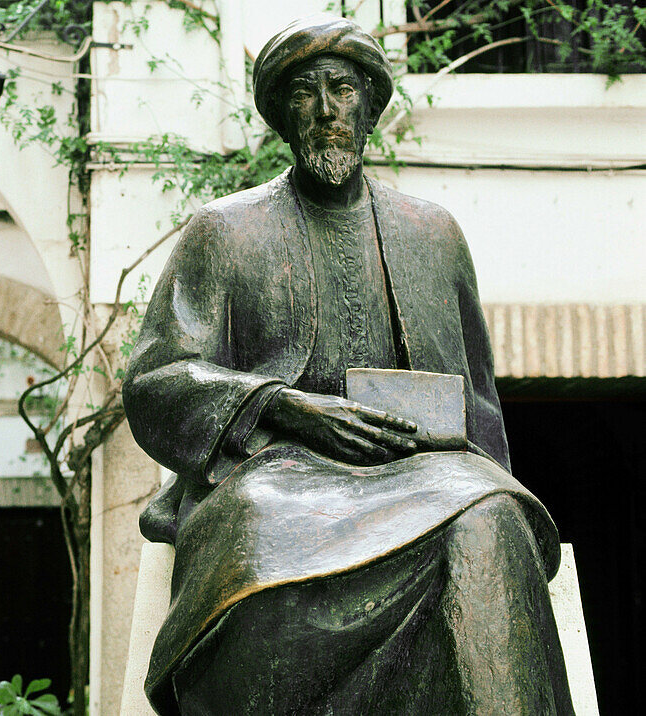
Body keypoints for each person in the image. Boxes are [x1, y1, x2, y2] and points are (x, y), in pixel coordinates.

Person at [122, 14, 574, 715]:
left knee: (487, 520)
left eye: (343, 89)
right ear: (281, 113)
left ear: (369, 105)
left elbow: (479, 407)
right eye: (305, 91)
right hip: (275, 475)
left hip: (422, 473)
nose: (328, 109)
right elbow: (157, 378)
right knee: (259, 536)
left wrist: (496, 492)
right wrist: (281, 405)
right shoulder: (224, 229)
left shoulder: (433, 235)